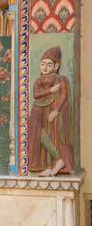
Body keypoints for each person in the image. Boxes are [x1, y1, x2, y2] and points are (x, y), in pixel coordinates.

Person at [28, 46, 74, 176]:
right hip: (38, 111)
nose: (45, 67)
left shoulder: (60, 79)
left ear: (56, 66)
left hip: (52, 109)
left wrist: (57, 111)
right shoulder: (38, 80)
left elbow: (64, 95)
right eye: (42, 64)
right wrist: (50, 90)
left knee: (53, 136)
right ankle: (52, 163)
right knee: (40, 135)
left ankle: (56, 163)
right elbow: (36, 95)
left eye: (49, 65)